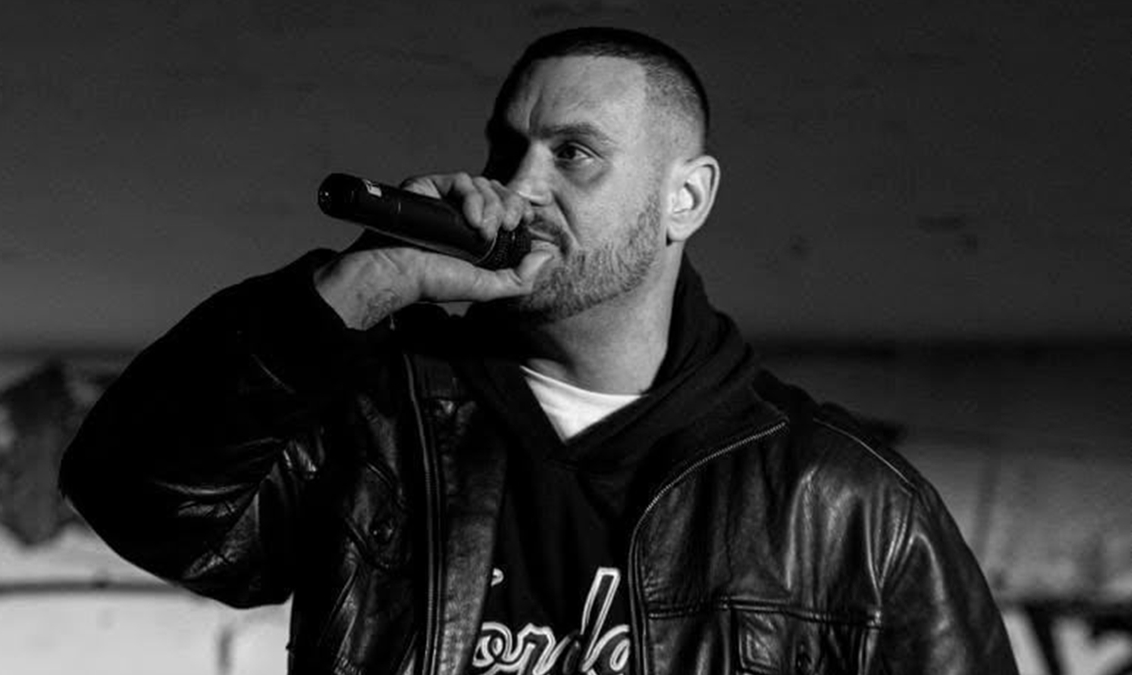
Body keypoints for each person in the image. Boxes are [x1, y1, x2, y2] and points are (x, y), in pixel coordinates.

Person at [60, 27, 1017, 675]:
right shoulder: (378, 427)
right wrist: (363, 284)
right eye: (507, 148)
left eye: (574, 154)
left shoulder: (848, 505)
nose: (520, 186)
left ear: (685, 198)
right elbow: (137, 495)